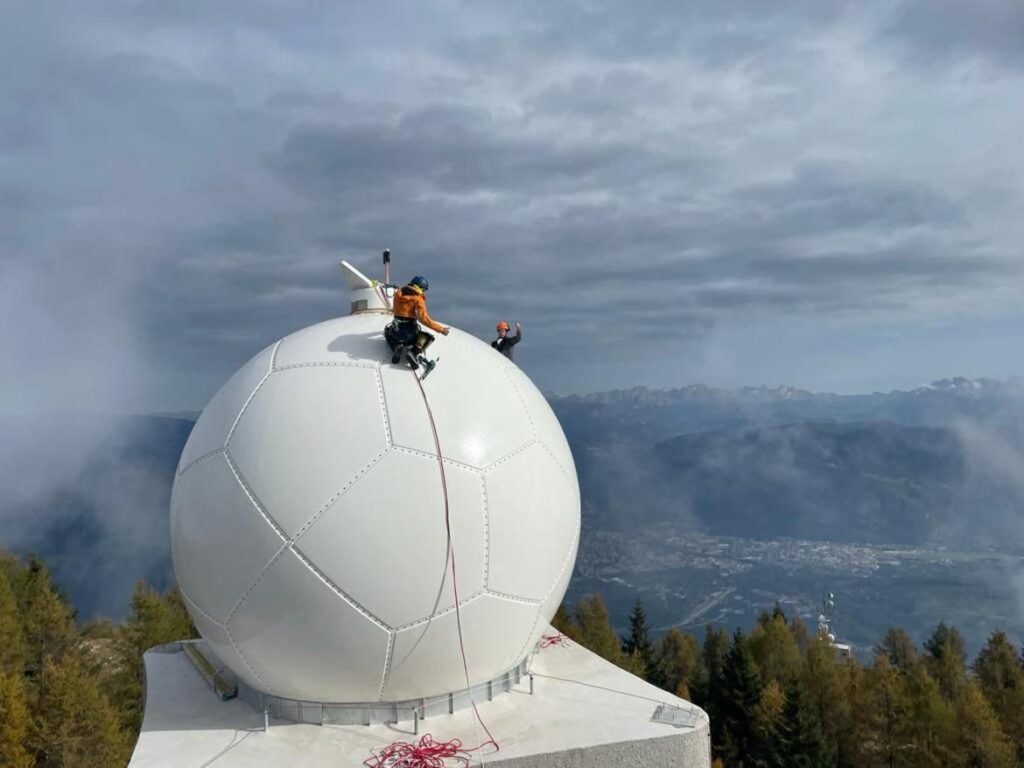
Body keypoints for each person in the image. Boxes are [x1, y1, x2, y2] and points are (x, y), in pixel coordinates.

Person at [384, 275, 449, 369]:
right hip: (410, 334)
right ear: (420, 287)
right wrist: (441, 329)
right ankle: (413, 353)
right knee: (427, 337)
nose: (424, 292)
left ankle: (396, 347)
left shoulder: (398, 294)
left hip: (396, 332)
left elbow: (394, 309)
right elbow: (424, 319)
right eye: (424, 290)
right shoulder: (418, 299)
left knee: (387, 331)